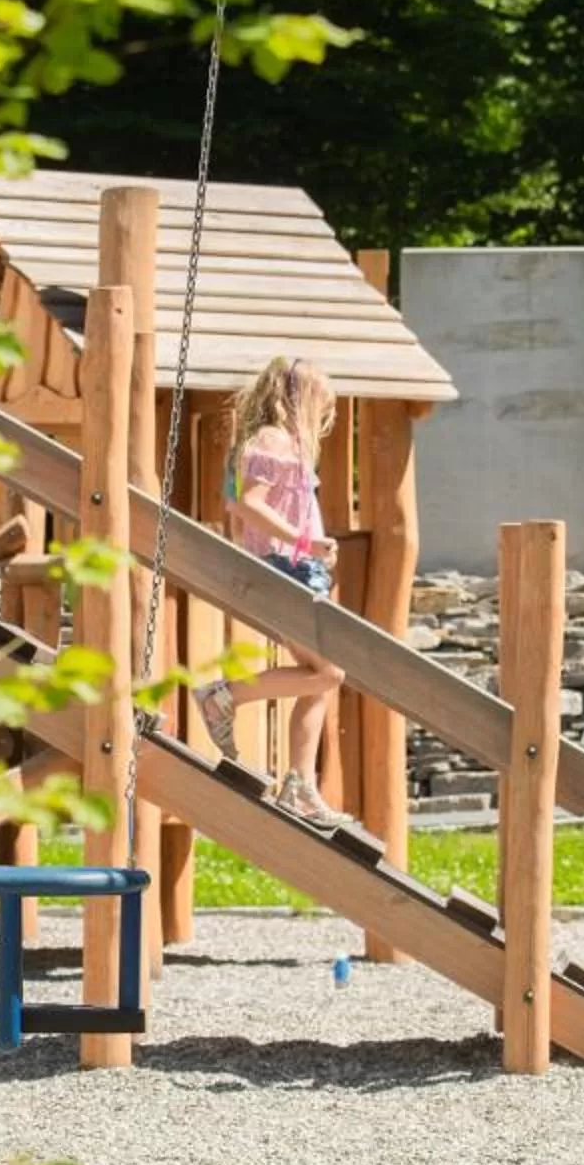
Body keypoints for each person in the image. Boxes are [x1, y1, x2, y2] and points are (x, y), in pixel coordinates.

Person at [192, 355, 350, 828]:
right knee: (329, 673)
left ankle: (300, 783)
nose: (321, 418)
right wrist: (307, 543)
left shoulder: (281, 444)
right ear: (295, 400)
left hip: (295, 569)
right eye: (319, 406)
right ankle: (223, 696)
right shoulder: (272, 441)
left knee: (320, 675)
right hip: (284, 570)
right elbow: (248, 505)